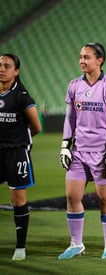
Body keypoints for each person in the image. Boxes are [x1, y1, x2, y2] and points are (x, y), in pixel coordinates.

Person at [58, 42, 106, 260]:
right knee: (72, 195)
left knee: (104, 199)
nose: (82, 61)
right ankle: (76, 244)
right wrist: (65, 145)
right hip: (78, 151)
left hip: (102, 153)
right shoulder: (73, 86)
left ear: (100, 60)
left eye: (87, 57)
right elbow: (70, 118)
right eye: (80, 57)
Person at [0, 53, 42, 260]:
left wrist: (20, 141)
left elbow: (36, 127)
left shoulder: (22, 96)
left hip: (16, 152)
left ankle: (20, 248)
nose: (1, 68)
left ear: (16, 72)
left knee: (18, 201)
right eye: (0, 65)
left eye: (6, 66)